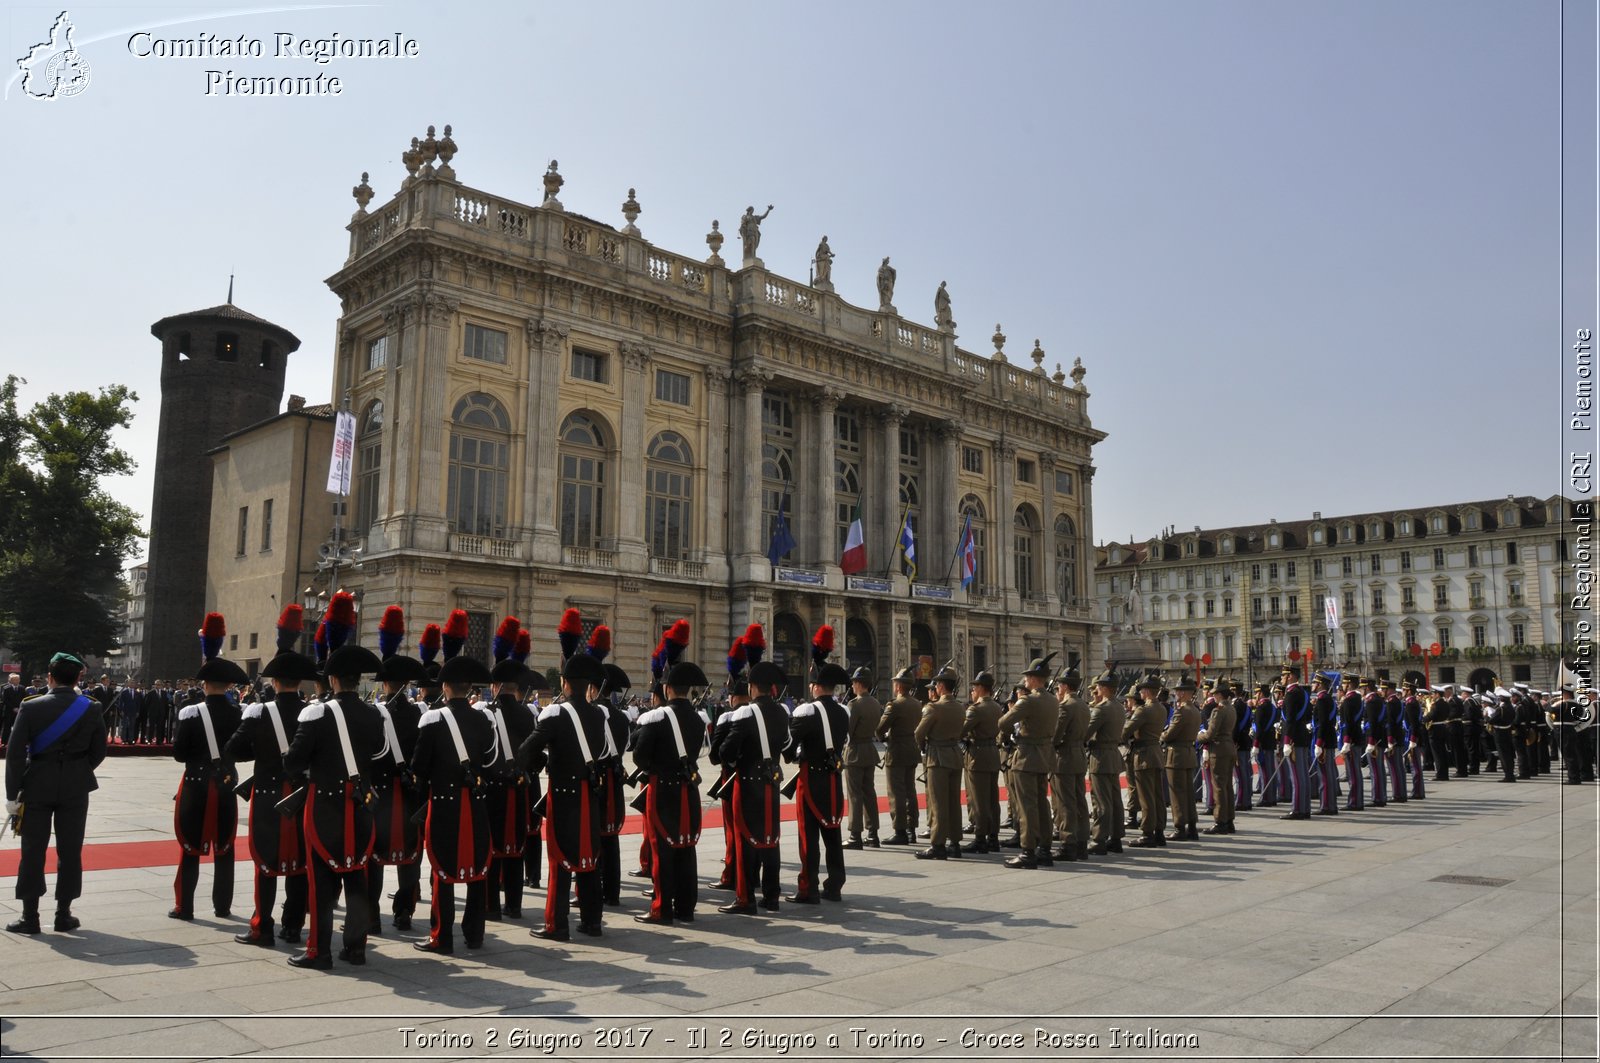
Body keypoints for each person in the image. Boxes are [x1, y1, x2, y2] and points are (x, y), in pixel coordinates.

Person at [282, 643, 384, 969]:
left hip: (325, 806)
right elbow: (379, 755)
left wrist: (309, 771)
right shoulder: (373, 713)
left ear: (334, 679)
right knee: (357, 877)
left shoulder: (316, 712)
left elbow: (294, 761)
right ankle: (355, 948)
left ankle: (320, 951)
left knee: (322, 883)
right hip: (361, 807)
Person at [225, 635, 317, 948]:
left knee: (265, 862)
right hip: (302, 795)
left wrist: (260, 753)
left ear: (275, 682)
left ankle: (261, 926)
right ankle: (292, 926)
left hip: (268, 795)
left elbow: (234, 750)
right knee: (300, 863)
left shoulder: (257, 713)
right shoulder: (314, 713)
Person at [5, 652, 107, 934]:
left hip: (37, 784)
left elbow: (14, 755)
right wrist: (77, 769)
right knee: (71, 851)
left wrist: (12, 795)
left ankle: (30, 917)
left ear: (49, 677)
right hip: (75, 787)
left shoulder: (31, 706)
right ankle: (64, 914)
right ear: (78, 678)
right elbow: (99, 751)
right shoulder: (91, 707)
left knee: (32, 851)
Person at [410, 654, 495, 954]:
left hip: (444, 802)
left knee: (441, 871)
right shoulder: (484, 719)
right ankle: (475, 934)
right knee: (478, 868)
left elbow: (418, 768)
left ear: (445, 686)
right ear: (470, 688)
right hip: (474, 802)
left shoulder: (433, 720)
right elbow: (491, 761)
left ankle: (441, 936)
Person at [520, 652, 608, 940]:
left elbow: (526, 752)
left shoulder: (555, 714)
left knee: (559, 858)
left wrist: (542, 764)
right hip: (590, 793)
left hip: (564, 794)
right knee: (589, 857)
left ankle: (556, 924)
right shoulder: (598, 713)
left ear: (565, 683)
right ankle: (592, 921)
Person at [171, 616, 246, 921]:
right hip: (226, 784)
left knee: (190, 847)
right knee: (225, 849)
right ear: (230, 685)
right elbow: (244, 752)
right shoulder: (239, 714)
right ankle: (223, 906)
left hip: (196, 784)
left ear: (204, 684)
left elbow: (178, 754)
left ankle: (185, 907)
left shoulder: (190, 713)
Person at [631, 660, 709, 924]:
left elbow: (640, 758)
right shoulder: (699, 720)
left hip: (662, 789)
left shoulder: (656, 718)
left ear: (666, 688)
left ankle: (662, 908)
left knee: (661, 848)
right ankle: (686, 908)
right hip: (688, 789)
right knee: (686, 847)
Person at [717, 661, 790, 915]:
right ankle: (772, 896)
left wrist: (738, 759)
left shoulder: (744, 713)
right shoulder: (782, 712)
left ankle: (746, 898)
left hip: (747, 783)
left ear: (751, 687)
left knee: (745, 839)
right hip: (772, 782)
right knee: (771, 839)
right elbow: (787, 743)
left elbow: (726, 750)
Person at [785, 648, 851, 902]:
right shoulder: (843, 712)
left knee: (808, 836)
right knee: (833, 832)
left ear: (815, 686)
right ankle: (834, 884)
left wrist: (795, 755)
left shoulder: (806, 712)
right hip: (833, 778)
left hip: (811, 779)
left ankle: (808, 887)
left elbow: (790, 745)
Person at [997, 654, 1060, 868]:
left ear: (1034, 678)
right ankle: (1045, 849)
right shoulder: (1053, 700)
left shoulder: (1027, 700)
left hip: (1025, 757)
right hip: (1045, 757)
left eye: (1027, 677)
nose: (1025, 681)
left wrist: (1016, 730)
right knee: (1042, 803)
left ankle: (1028, 851)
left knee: (1026, 806)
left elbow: (1004, 722)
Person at [914, 664, 966, 861]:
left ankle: (937, 845)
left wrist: (924, 746)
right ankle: (954, 843)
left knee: (938, 803)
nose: (934, 688)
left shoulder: (933, 708)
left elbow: (918, 734)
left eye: (936, 684)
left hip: (937, 757)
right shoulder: (961, 708)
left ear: (942, 686)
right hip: (954, 755)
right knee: (954, 802)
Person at [876, 667, 921, 844]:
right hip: (912, 750)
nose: (894, 685)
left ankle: (900, 831)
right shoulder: (918, 703)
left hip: (896, 751)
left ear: (900, 686)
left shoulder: (895, 705)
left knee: (896, 792)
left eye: (896, 682)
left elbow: (880, 728)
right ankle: (911, 829)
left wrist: (882, 737)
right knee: (910, 790)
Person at [959, 671, 1003, 854]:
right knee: (993, 799)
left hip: (977, 755)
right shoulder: (997, 707)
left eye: (974, 687)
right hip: (993, 753)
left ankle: (980, 838)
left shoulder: (976, 709)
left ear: (980, 689)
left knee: (978, 800)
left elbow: (961, 730)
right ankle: (993, 837)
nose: (972, 691)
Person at [1051, 665, 1091, 862]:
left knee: (1066, 801)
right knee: (1080, 800)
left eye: (1059, 686)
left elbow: (1056, 735)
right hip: (1079, 755)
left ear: (1065, 686)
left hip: (1065, 756)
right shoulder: (1084, 704)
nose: (1058, 690)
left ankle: (1068, 843)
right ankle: (1082, 842)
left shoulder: (1065, 706)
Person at [1084, 669, 1124, 855]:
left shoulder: (1102, 708)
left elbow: (1085, 732)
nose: (1097, 688)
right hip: (1113, 755)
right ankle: (1116, 838)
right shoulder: (1119, 706)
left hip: (1100, 756)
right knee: (1115, 800)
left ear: (1106, 688)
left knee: (1100, 801)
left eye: (1099, 685)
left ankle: (1099, 839)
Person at [1124, 675, 1167, 847]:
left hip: (1143, 755)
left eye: (1142, 689)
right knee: (1157, 796)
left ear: (1148, 691)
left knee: (1146, 796)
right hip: (1156, 753)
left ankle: (1147, 833)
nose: (1140, 691)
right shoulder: (1162, 708)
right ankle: (1159, 831)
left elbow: (1126, 730)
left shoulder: (1143, 710)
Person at [842, 667, 882, 849]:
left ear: (859, 684)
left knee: (854, 795)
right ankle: (873, 834)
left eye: (853, 682)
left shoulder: (854, 704)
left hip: (855, 751)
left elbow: (847, 732)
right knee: (869, 793)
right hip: (869, 750)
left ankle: (855, 834)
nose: (852, 685)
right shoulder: (875, 703)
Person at [1162, 678, 1202, 840]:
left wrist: (1161, 734)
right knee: (1188, 793)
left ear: (1184, 693)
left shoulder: (1182, 711)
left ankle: (1180, 827)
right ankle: (1192, 826)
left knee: (1177, 793)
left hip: (1176, 755)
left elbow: (1169, 734)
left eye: (1178, 691)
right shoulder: (1194, 710)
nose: (1176, 694)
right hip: (1189, 753)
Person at [1198, 678, 1238, 833]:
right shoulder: (1231, 708)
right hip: (1229, 747)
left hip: (1219, 749)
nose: (1213, 696)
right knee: (1227, 785)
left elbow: (1210, 734)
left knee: (1219, 787)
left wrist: (1197, 736)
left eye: (1215, 693)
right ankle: (1229, 820)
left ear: (1220, 694)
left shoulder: (1218, 710)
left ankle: (1220, 821)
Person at [1309, 674, 1339, 816]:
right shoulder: (1328, 699)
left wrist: (1318, 743)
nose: (1313, 684)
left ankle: (1327, 806)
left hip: (1324, 741)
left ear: (1320, 684)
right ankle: (1330, 804)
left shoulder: (1322, 700)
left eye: (1315, 682)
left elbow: (1322, 723)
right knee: (1329, 774)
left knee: (1325, 775)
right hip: (1329, 739)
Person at [1, 672, 26, 746]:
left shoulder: (22, 688)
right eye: (14, 680)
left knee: (18, 727)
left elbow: (24, 699)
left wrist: (19, 708)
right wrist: (13, 708)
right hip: (9, 711)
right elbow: (5, 700)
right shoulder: (6, 689)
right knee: (7, 727)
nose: (16, 681)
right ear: (11, 681)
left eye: (17, 679)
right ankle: (4, 742)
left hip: (19, 710)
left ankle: (17, 742)